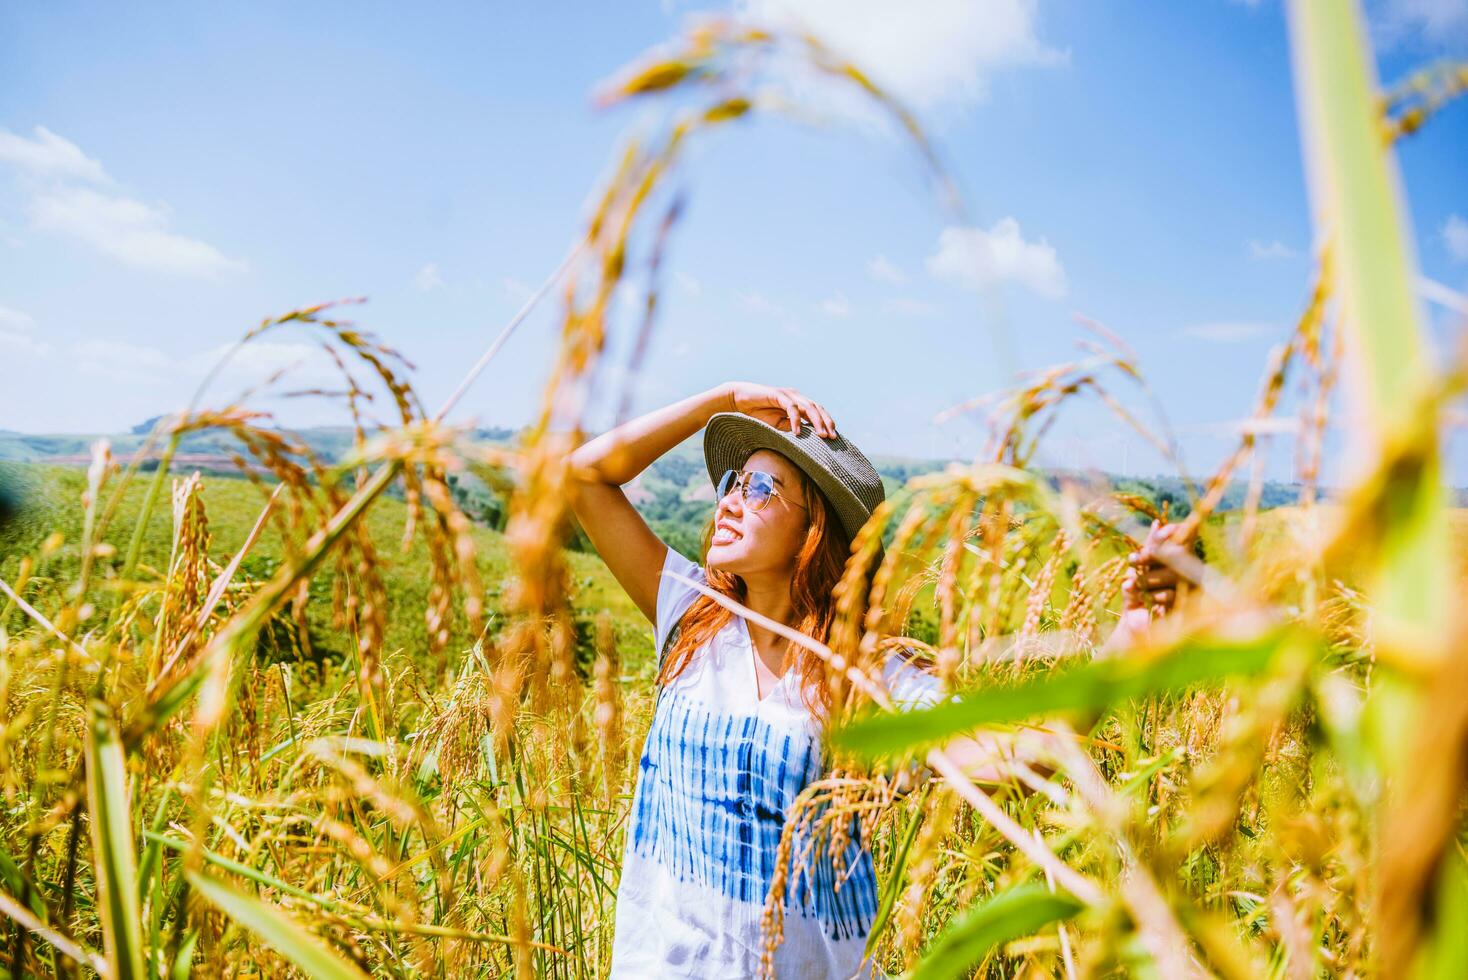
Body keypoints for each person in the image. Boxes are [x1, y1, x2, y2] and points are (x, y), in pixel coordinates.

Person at [568, 382, 1187, 979]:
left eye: (760, 488)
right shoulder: (690, 615)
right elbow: (585, 476)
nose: (729, 500)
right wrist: (720, 401)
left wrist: (1130, 637)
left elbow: (1021, 758)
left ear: (813, 527)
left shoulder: (862, 678)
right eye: (732, 482)